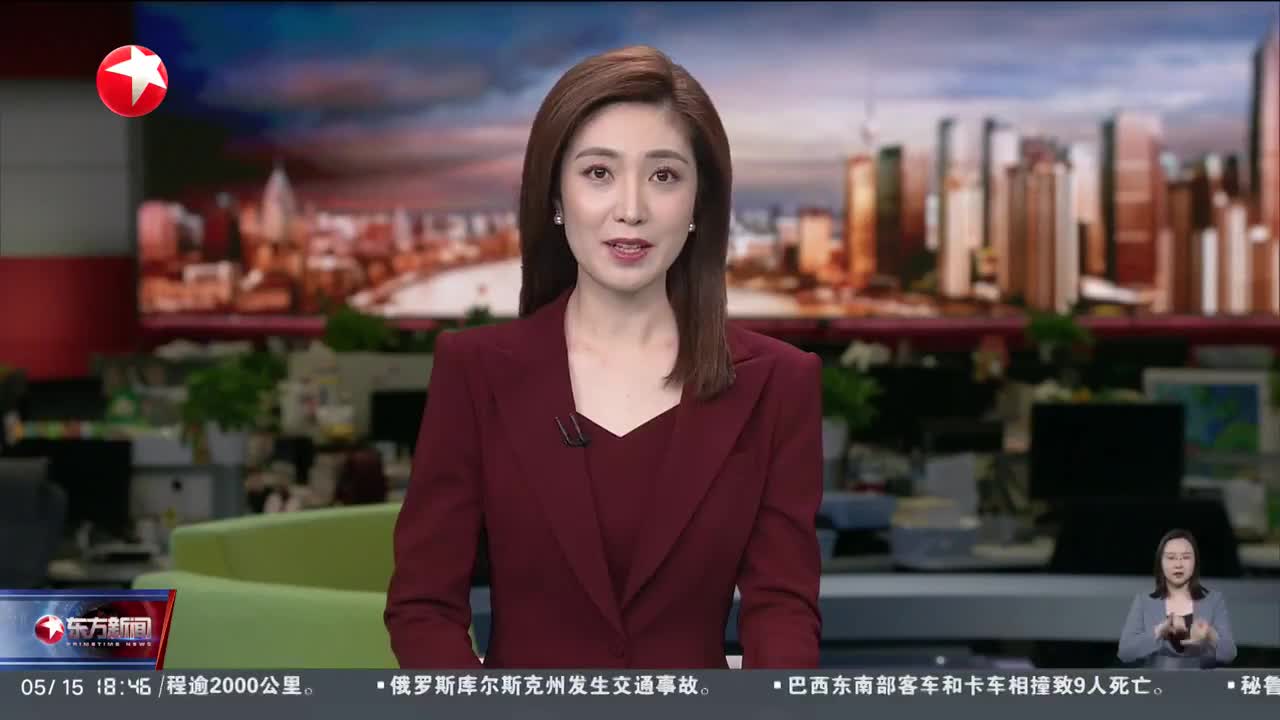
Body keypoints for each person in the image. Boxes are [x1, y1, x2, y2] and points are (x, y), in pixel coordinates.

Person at [384, 45, 823, 669]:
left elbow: (782, 607)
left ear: (699, 203)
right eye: (598, 173)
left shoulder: (778, 384)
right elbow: (424, 606)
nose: (632, 209)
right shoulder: (474, 371)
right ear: (556, 196)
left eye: (664, 176)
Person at [1117, 528, 1237, 668]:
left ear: (1195, 562)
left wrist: (1210, 634)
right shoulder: (1144, 601)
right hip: (1157, 680)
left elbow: (1230, 654)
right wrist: (1159, 631)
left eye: (1186, 557)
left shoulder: (1213, 600)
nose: (1178, 564)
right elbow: (1125, 653)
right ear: (1160, 562)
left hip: (1201, 680)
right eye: (1171, 558)